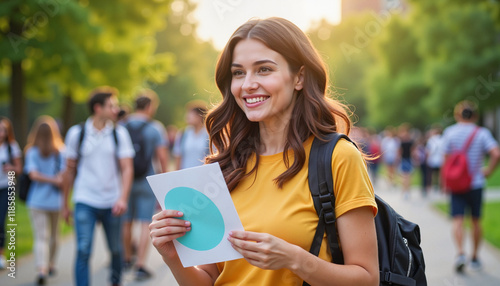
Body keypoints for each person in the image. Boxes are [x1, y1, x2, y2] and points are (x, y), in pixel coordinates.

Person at [150, 17, 379, 285]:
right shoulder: (224, 165)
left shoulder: (338, 157)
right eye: (238, 73)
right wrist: (173, 257)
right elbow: (210, 278)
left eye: (264, 69)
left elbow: (367, 278)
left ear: (299, 77)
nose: (247, 84)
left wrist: (294, 259)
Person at [62, 87, 135, 286]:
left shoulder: (119, 133)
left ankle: (115, 281)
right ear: (98, 108)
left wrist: (122, 198)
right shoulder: (77, 133)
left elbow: (127, 169)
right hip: (85, 199)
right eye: (111, 105)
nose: (116, 109)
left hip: (112, 202)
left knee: (115, 250)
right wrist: (64, 204)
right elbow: (68, 171)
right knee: (83, 250)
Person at [442, 100, 499, 273]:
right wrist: (488, 170)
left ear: (458, 114)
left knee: (457, 219)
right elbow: (496, 153)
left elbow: (445, 159)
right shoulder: (481, 133)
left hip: (456, 184)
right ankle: (474, 257)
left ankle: (460, 253)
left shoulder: (450, 132)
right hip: (475, 183)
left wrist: (446, 181)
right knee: (476, 220)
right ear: (474, 115)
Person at [121, 89, 169, 281]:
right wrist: (164, 180)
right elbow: (162, 157)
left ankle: (126, 259)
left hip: (125, 182)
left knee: (126, 221)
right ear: (149, 106)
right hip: (147, 180)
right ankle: (140, 265)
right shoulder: (155, 128)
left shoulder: (122, 126)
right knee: (144, 222)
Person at [24, 115, 65, 285]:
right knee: (54, 235)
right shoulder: (61, 151)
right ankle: (50, 264)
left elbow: (32, 175)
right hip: (56, 201)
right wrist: (54, 180)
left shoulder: (31, 151)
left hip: (37, 200)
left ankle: (42, 268)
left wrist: (46, 179)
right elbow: (63, 177)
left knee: (41, 237)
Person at [0, 117, 22, 269]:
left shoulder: (11, 147)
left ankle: (1, 254)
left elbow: (19, 169)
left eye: (3, 130)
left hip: (6, 186)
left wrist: (10, 168)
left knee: (0, 221)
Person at [172, 101, 210, 170]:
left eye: (191, 114)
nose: (187, 116)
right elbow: (178, 157)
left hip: (203, 174)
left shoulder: (208, 135)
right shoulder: (183, 133)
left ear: (200, 116)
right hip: (185, 174)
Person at [425, 125, 444, 193]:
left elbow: (428, 150)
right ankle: (440, 187)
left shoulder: (431, 140)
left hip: (432, 159)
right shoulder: (442, 139)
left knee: (432, 174)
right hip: (441, 159)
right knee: (440, 175)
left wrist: (427, 159)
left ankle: (433, 186)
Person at [398, 123, 415, 199]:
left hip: (404, 159)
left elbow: (399, 151)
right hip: (408, 159)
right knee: (408, 176)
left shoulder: (402, 142)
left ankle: (404, 191)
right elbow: (413, 151)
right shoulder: (411, 141)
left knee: (405, 176)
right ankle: (407, 191)